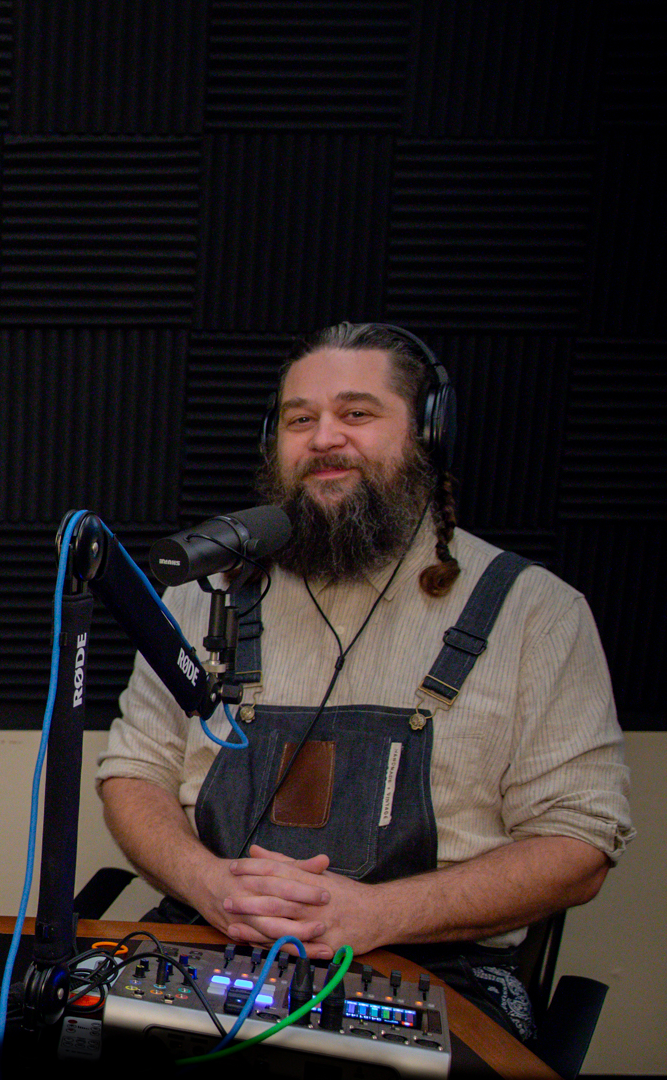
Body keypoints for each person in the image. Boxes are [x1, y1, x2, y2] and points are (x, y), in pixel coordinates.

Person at [97, 322, 633, 1041]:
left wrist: (381, 913)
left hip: (438, 964)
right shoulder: (203, 596)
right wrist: (206, 883)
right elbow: (133, 774)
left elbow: (578, 843)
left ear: (425, 435)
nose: (324, 439)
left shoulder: (537, 612)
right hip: (210, 942)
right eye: (300, 419)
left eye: (356, 413)